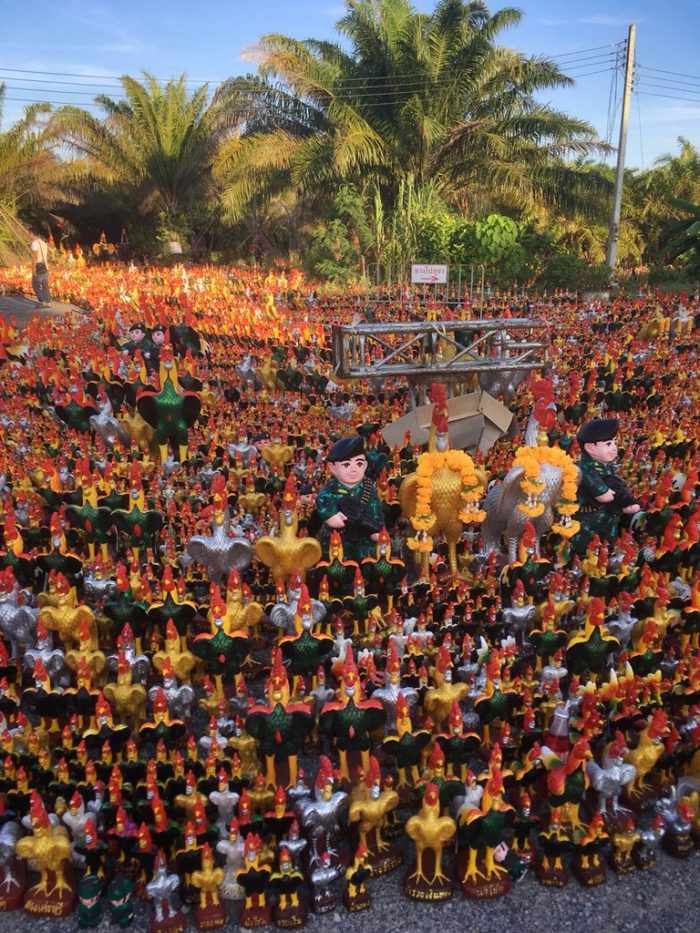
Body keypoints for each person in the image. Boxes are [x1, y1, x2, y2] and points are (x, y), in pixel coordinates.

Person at [570, 417, 641, 556]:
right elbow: (606, 496)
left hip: (607, 521)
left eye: (615, 442)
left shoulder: (604, 465)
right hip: (589, 523)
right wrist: (627, 503)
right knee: (585, 555)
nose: (614, 448)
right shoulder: (584, 469)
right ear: (590, 447)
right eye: (608, 444)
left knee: (606, 552)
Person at [313, 435, 384, 562]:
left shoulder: (368, 488)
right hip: (338, 538)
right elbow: (322, 500)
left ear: (365, 465)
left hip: (363, 537)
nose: (353, 470)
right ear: (332, 467)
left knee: (369, 558)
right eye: (346, 465)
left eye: (359, 463)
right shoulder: (331, 488)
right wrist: (331, 516)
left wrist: (375, 528)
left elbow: (376, 509)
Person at [30, 232, 51, 307]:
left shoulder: (34, 243)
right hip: (45, 266)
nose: (29, 236)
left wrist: (33, 268)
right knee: (45, 284)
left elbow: (35, 257)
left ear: (32, 233)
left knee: (35, 285)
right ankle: (48, 302)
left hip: (38, 266)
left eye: (29, 234)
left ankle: (43, 301)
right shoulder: (43, 243)